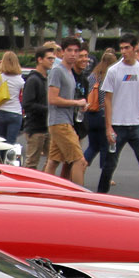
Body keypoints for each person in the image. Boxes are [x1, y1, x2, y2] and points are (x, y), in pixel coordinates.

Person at [95, 37, 139, 200]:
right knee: (110, 163)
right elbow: (107, 99)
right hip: (118, 124)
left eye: (127, 47)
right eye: (121, 48)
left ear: (135, 48)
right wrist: (108, 126)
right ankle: (100, 195)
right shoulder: (114, 70)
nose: (123, 51)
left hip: (136, 124)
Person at [47, 38, 90, 184]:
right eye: (69, 50)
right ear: (63, 52)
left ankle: (46, 192)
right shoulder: (58, 71)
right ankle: (80, 198)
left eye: (76, 51)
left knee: (53, 161)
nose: (73, 54)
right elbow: (52, 99)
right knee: (80, 161)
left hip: (64, 121)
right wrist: (76, 102)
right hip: (60, 122)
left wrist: (79, 105)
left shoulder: (69, 71)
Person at [81, 48, 118, 183]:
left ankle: (81, 166)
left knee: (92, 145)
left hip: (91, 113)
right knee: (104, 146)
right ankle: (106, 176)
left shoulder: (92, 76)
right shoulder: (109, 77)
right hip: (103, 113)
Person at [21, 47, 53, 169]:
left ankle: (44, 183)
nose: (52, 61)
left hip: (47, 127)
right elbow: (27, 104)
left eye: (53, 59)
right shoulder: (33, 80)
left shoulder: (47, 79)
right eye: (49, 58)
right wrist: (48, 109)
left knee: (52, 160)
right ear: (40, 59)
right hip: (35, 128)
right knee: (32, 163)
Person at [0, 51, 24, 148]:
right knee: (11, 143)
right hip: (15, 113)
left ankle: (1, 161)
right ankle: (9, 161)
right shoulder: (20, 79)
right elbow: (22, 96)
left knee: (0, 142)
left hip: (0, 112)